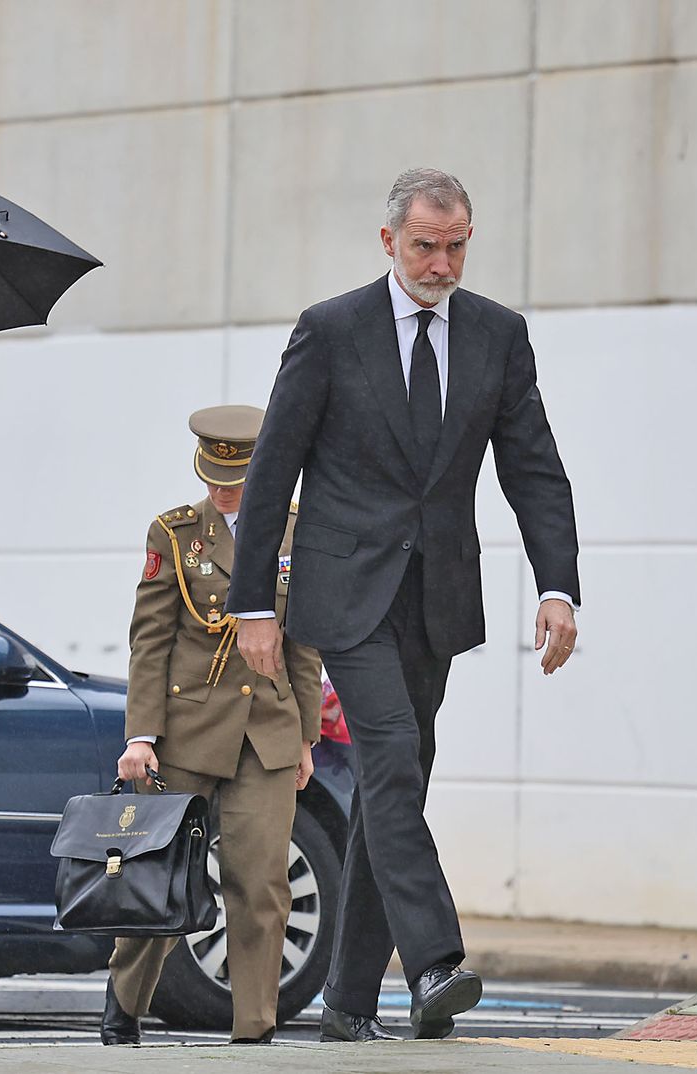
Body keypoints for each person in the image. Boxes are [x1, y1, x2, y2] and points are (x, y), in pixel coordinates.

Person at [226, 168, 581, 1042]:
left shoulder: (498, 335)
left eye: (457, 246)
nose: (442, 264)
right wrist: (252, 604)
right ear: (390, 241)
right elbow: (273, 467)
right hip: (345, 592)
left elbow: (533, 466)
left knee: (400, 781)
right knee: (388, 756)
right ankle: (434, 963)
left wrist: (557, 585)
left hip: (437, 597)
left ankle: (347, 1003)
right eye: (425, 246)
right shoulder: (331, 330)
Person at [103, 405, 322, 1047]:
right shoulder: (175, 534)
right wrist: (140, 736)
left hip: (266, 734)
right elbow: (151, 641)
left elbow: (304, 643)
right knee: (160, 876)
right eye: (213, 477)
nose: (222, 490)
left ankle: (254, 1031)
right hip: (187, 734)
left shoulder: (296, 532)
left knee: (260, 885)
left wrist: (305, 736)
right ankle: (124, 1006)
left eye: (236, 479)